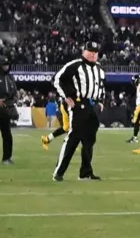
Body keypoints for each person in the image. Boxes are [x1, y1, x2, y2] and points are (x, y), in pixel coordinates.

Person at [52, 40, 107, 181]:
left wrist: (101, 102)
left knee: (89, 142)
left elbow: (102, 86)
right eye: (90, 51)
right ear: (84, 51)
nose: (93, 54)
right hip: (79, 105)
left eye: (95, 52)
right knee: (73, 138)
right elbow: (57, 79)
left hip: (93, 107)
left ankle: (85, 173)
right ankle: (59, 172)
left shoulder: (99, 68)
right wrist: (67, 97)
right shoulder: (75, 65)